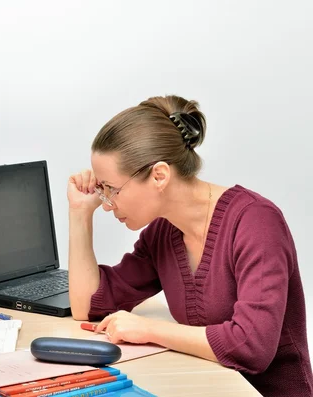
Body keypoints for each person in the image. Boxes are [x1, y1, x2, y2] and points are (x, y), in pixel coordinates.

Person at [67, 95, 312, 396]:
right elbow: (88, 304)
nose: (106, 204)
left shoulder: (256, 223)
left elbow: (252, 346)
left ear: (159, 175)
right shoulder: (163, 234)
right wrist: (80, 214)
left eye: (111, 189)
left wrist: (148, 330)